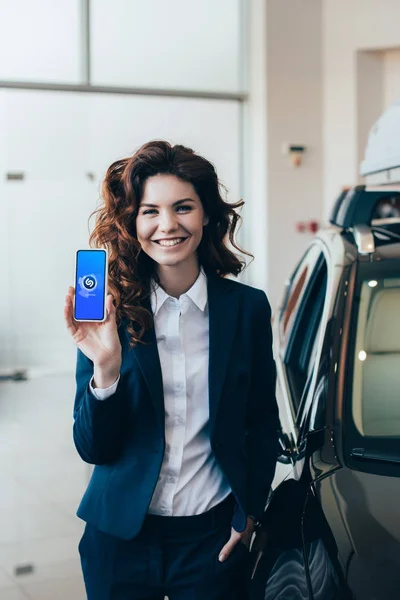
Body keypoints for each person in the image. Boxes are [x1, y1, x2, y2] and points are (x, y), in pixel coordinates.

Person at [64, 140, 280, 600]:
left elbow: (262, 421)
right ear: (132, 223)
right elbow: (92, 448)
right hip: (119, 539)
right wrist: (105, 366)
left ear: (206, 216)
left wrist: (250, 513)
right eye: (150, 211)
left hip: (211, 540)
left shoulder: (246, 309)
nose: (168, 225)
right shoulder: (109, 313)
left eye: (183, 207)